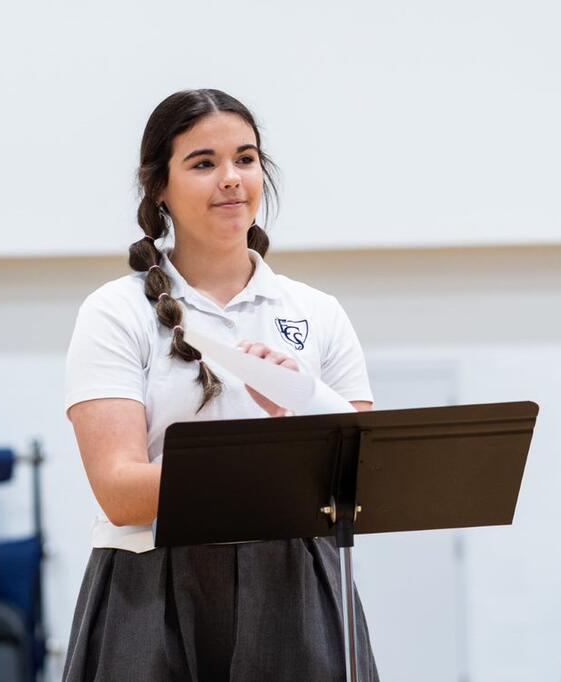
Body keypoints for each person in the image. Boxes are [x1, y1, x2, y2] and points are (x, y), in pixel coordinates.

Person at [62, 88, 380, 681]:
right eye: (203, 162)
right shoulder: (115, 311)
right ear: (159, 187)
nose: (231, 178)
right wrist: (273, 460)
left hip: (295, 583)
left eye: (246, 159)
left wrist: (295, 411)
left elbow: (361, 476)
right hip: (151, 585)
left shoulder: (317, 311)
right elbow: (120, 491)